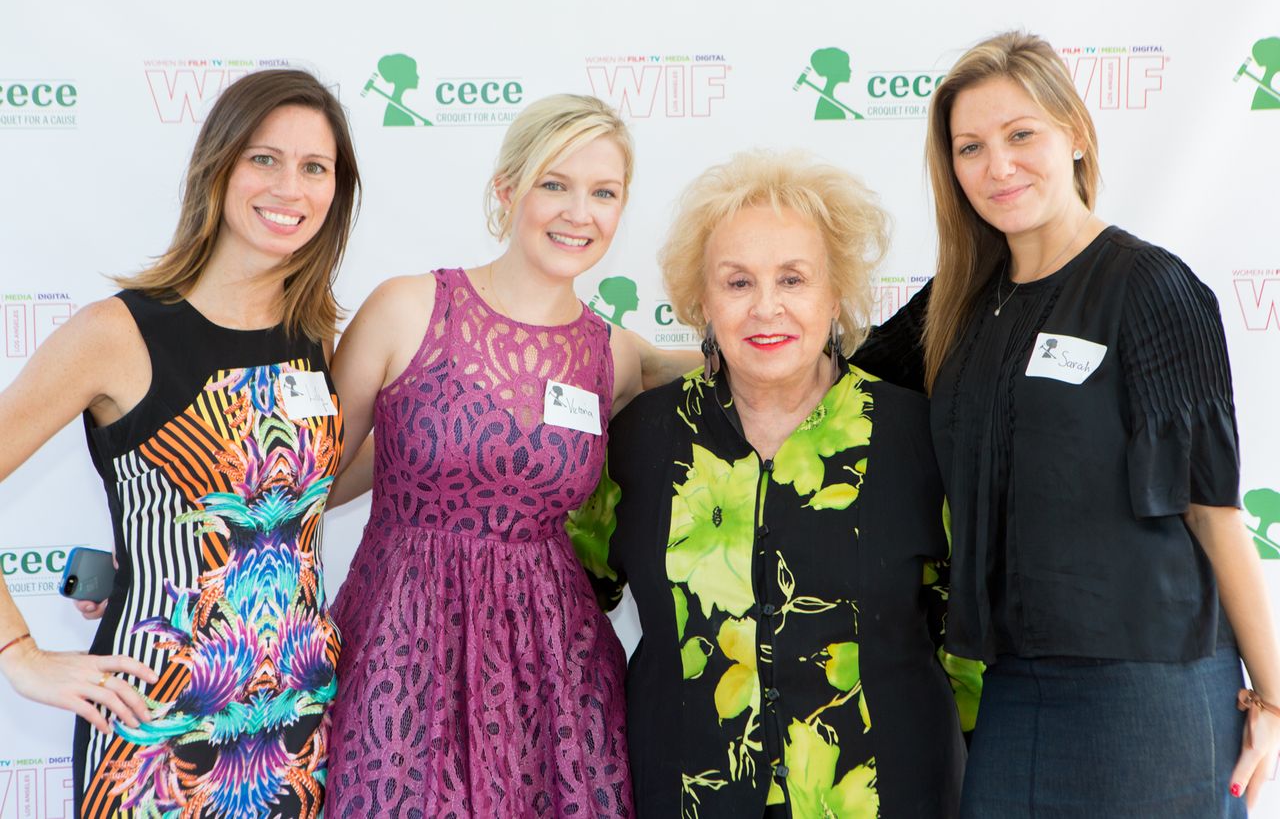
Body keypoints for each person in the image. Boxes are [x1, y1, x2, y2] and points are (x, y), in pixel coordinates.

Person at [855, 31, 1280, 816]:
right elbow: (820, 371)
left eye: (1022, 135)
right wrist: (619, 351)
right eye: (971, 146)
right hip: (1015, 690)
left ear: (1075, 135)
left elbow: (1214, 511)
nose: (998, 165)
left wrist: (1277, 699)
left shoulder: (1150, 286)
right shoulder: (959, 303)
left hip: (1152, 687)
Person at [569, 151, 977, 817]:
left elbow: (970, 638)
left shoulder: (919, 437)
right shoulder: (639, 439)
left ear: (836, 293)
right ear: (701, 299)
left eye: (793, 279)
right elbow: (567, 600)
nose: (766, 308)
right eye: (737, 283)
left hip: (890, 792)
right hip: (685, 792)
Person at [0, 68, 360, 817]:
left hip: (296, 726)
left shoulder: (312, 333)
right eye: (264, 158)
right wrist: (19, 655)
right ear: (218, 167)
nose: (289, 188)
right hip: (154, 728)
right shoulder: (117, 333)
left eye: (314, 167)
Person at [325, 94, 691, 817]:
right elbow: (307, 481)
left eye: (603, 192)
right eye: (554, 184)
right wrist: (171, 558)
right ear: (507, 191)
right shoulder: (407, 306)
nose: (578, 212)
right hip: (403, 650)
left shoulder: (613, 353)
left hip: (552, 670)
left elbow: (713, 363)